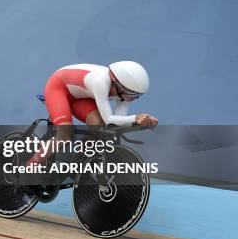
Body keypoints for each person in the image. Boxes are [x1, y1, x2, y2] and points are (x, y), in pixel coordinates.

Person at [26, 61, 158, 175]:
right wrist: (136, 118)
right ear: (118, 84)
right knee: (65, 135)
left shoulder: (124, 92)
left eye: (138, 96)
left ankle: (79, 161)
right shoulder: (100, 81)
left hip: (79, 96)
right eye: (133, 94)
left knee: (99, 128)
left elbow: (114, 125)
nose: (134, 99)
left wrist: (142, 123)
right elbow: (110, 119)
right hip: (58, 88)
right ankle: (29, 168)